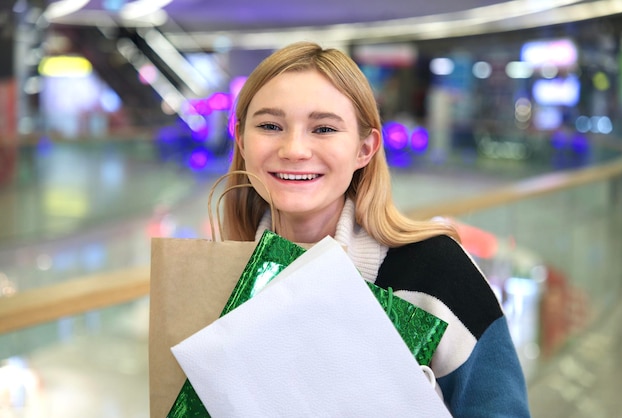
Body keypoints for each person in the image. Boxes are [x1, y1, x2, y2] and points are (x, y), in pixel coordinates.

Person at [221, 41, 531, 417]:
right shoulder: (220, 277)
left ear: (364, 149)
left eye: (323, 128)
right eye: (270, 125)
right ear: (241, 138)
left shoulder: (437, 272)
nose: (294, 149)